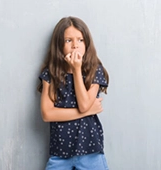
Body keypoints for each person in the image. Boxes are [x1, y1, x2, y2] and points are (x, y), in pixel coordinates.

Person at [37, 16, 109, 170]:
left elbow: (83, 105)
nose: (75, 45)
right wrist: (88, 111)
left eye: (80, 40)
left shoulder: (95, 70)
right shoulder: (51, 73)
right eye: (68, 40)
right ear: (59, 45)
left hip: (91, 152)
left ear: (87, 43)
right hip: (60, 154)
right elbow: (47, 114)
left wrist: (76, 70)